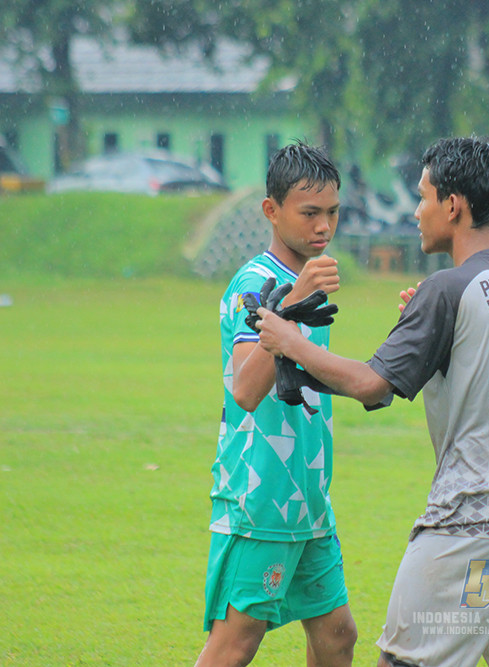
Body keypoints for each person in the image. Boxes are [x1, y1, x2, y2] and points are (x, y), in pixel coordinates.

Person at [256, 136, 489, 667]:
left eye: (424, 197)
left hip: (466, 533)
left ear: (454, 206)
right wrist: (308, 374)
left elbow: (373, 386)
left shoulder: (447, 289)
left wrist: (290, 342)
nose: (417, 211)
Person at [197, 141, 357, 667]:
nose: (323, 226)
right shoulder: (253, 286)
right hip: (259, 497)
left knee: (337, 636)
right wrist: (286, 309)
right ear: (272, 210)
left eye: (332, 212)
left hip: (308, 498)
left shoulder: (305, 283)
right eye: (309, 213)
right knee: (236, 643)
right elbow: (244, 389)